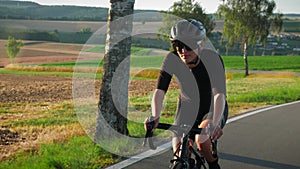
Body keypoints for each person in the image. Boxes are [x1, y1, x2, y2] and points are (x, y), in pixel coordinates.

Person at [145, 19, 228, 169]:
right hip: (187, 106)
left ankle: (213, 164)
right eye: (178, 45)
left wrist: (215, 123)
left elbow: (219, 96)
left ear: (201, 44)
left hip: (211, 107)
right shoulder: (172, 59)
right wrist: (155, 116)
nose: (183, 51)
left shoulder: (212, 59)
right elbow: (159, 91)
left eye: (188, 45)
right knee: (178, 148)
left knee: (201, 140)